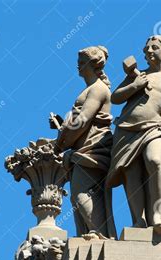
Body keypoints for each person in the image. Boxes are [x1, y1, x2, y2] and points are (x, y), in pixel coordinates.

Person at [106, 35, 161, 234]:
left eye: (154, 48)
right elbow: (116, 97)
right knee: (131, 172)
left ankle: (157, 215)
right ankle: (138, 220)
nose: (149, 52)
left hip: (153, 127)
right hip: (126, 128)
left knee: (154, 161)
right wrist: (135, 85)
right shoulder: (137, 75)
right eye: (146, 50)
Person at [49, 45, 116, 239]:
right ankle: (93, 233)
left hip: (93, 149)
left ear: (91, 64)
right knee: (78, 195)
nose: (78, 66)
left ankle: (100, 234)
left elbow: (83, 119)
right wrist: (62, 127)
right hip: (83, 149)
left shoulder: (98, 89)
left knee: (82, 194)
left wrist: (60, 142)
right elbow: (79, 122)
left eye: (81, 63)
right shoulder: (92, 89)